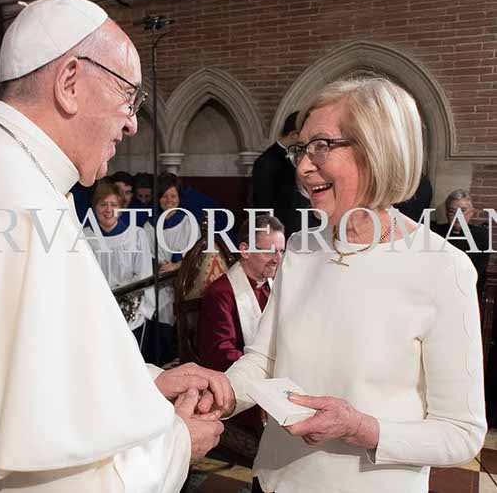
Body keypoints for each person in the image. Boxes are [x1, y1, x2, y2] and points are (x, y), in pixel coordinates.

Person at [0, 0, 232, 493]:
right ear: (70, 82)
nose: (132, 122)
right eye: (128, 96)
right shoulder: (18, 198)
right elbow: (48, 473)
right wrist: (177, 443)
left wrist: (147, 381)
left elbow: (33, 368)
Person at [223, 77, 486, 493]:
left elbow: (461, 433)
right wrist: (221, 393)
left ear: (377, 150)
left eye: (321, 147)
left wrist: (360, 428)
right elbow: (263, 359)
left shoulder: (443, 267)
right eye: (300, 150)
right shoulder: (301, 247)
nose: (302, 167)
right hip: (273, 480)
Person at [198, 215, 284, 432]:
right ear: (245, 250)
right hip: (237, 385)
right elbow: (219, 352)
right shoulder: (221, 293)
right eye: (269, 251)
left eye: (281, 251)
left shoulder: (272, 285)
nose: (277, 259)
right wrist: (271, 368)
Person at [84, 183, 154, 343]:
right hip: (96, 311)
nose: (108, 210)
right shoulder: (85, 237)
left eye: (113, 204)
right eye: (103, 204)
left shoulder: (136, 235)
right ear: (95, 208)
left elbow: (144, 274)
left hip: (129, 313)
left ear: (121, 208)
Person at [144, 173, 201, 364]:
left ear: (179, 198)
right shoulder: (149, 226)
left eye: (173, 196)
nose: (168, 200)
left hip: (183, 281)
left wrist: (176, 266)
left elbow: (196, 255)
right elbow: (147, 256)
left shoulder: (188, 223)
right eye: (164, 196)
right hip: (159, 282)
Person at [252, 111, 317, 238]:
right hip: (283, 230)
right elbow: (263, 204)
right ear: (293, 135)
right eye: (304, 136)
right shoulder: (267, 162)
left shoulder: (295, 155)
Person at [432, 189, 489, 295]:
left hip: (468, 290)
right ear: (446, 213)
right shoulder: (435, 233)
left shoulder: (481, 236)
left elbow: (477, 271)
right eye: (452, 211)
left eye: (463, 211)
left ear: (471, 213)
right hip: (439, 289)